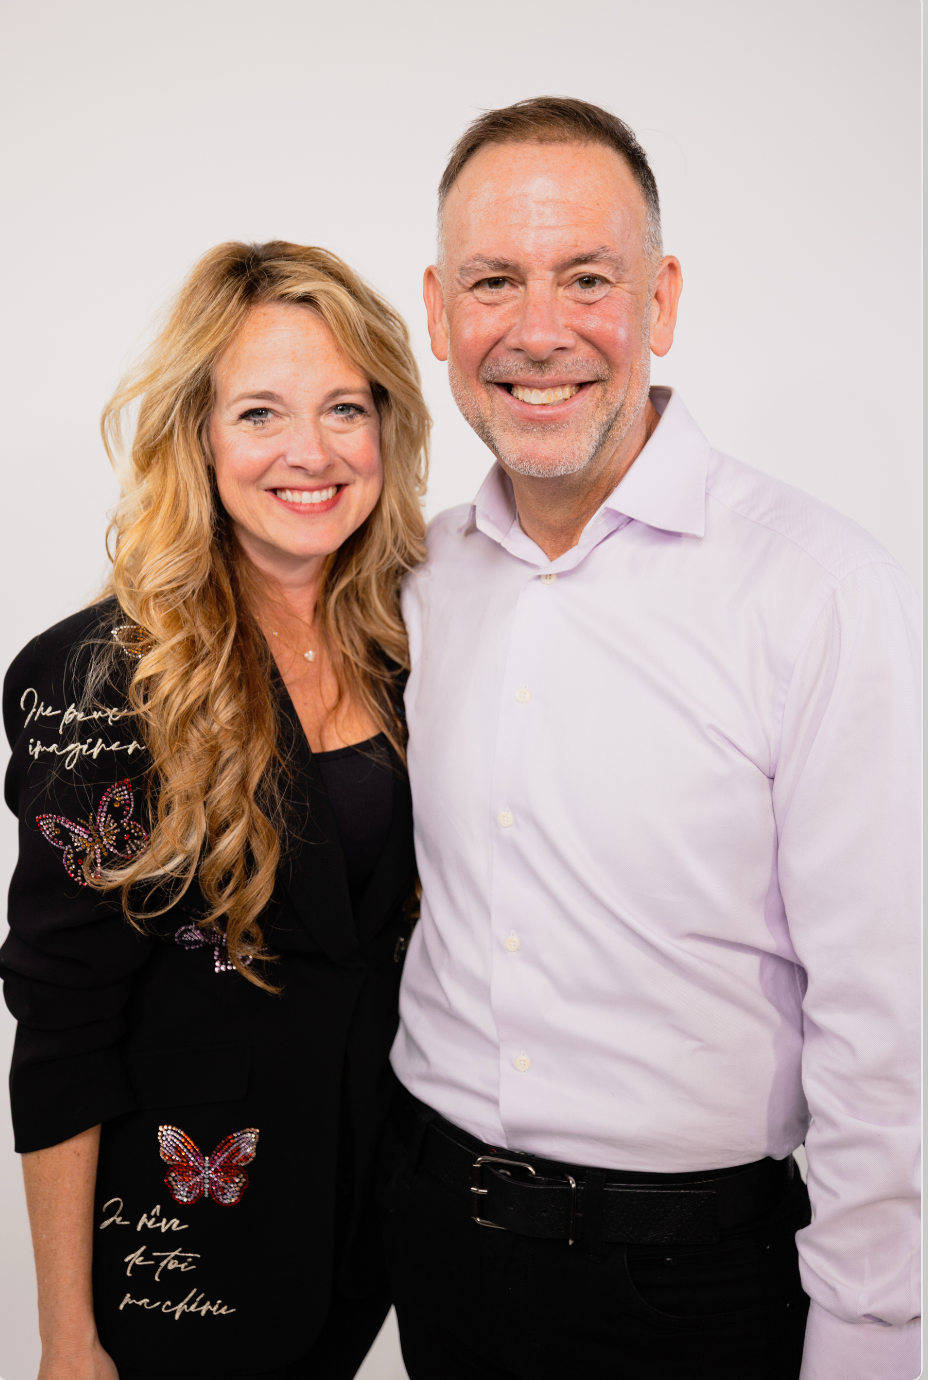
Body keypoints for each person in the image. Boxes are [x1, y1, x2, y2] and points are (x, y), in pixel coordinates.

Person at [379, 97, 920, 1380]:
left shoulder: (820, 592)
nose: (538, 330)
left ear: (661, 301)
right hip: (437, 1239)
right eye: (494, 282)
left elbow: (885, 1016)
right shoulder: (412, 580)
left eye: (587, 278)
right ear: (440, 314)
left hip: (695, 1288)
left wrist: (869, 1335)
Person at [0, 239, 429, 1379]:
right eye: (260, 413)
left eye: (345, 407)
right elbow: (61, 1028)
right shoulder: (97, 681)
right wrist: (67, 1338)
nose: (310, 451)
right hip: (183, 1243)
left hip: (380, 1225)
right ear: (198, 435)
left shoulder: (416, 638)